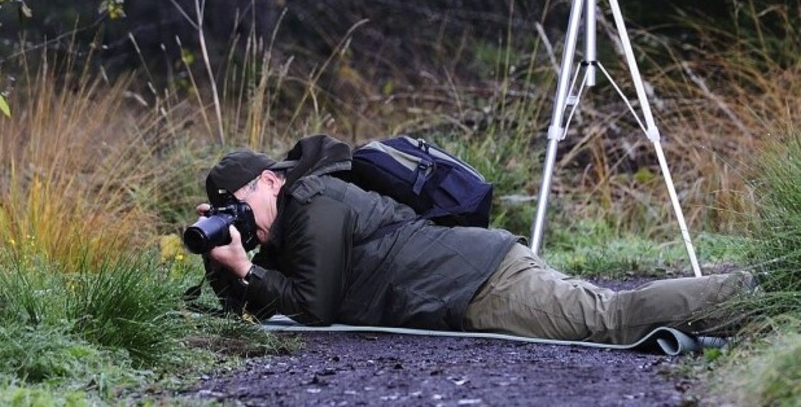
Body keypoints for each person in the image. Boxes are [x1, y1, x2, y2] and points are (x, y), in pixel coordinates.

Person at [198, 134, 751, 345]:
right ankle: (747, 298)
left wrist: (247, 268)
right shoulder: (287, 223)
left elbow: (311, 308)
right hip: (470, 284)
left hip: (482, 283)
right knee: (605, 314)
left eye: (242, 208)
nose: (245, 222)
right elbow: (248, 309)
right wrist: (224, 259)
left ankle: (754, 293)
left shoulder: (315, 204)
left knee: (609, 319)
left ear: (271, 180)